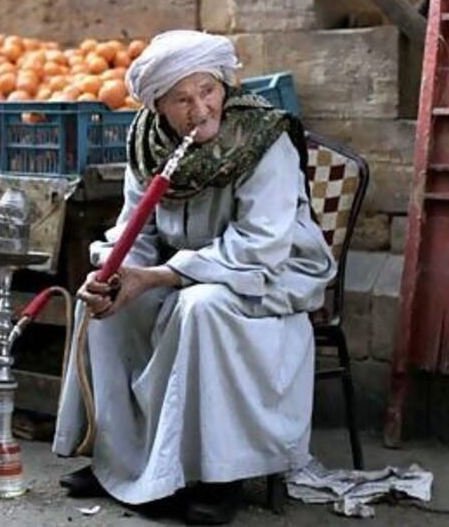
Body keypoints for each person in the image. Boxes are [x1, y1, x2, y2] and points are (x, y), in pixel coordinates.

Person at [52, 30, 336, 525]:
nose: (200, 109)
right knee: (101, 305)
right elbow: (134, 228)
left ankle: (218, 476)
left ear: (224, 86)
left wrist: (162, 275)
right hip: (183, 274)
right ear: (159, 106)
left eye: (208, 91)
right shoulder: (146, 145)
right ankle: (118, 459)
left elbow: (259, 247)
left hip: (266, 279)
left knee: (200, 306)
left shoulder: (264, 140)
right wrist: (117, 272)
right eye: (182, 99)